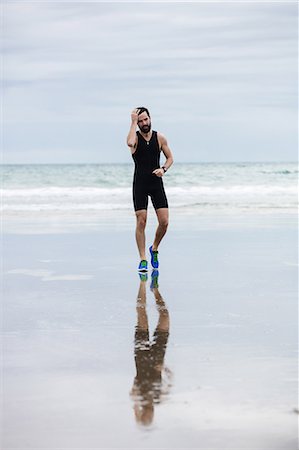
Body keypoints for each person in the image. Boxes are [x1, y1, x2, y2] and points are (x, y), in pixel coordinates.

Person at [127, 107, 174, 272]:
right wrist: (132, 122)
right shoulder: (135, 138)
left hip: (156, 183)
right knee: (141, 221)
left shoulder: (159, 137)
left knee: (165, 222)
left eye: (145, 119)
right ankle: (143, 259)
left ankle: (154, 248)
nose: (143, 123)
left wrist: (163, 169)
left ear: (150, 118)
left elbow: (170, 158)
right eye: (140, 121)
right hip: (140, 183)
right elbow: (130, 143)